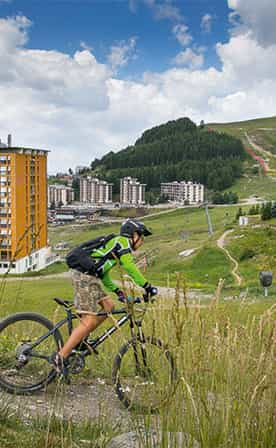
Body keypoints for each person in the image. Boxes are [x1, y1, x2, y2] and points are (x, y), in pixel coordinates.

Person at [51, 218, 157, 377]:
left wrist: (118, 292)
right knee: (88, 319)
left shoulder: (114, 248)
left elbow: (104, 274)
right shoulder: (122, 242)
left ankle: (82, 341)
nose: (142, 241)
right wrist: (147, 286)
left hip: (90, 276)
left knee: (109, 307)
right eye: (141, 237)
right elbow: (129, 266)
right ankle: (60, 357)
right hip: (83, 276)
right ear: (133, 235)